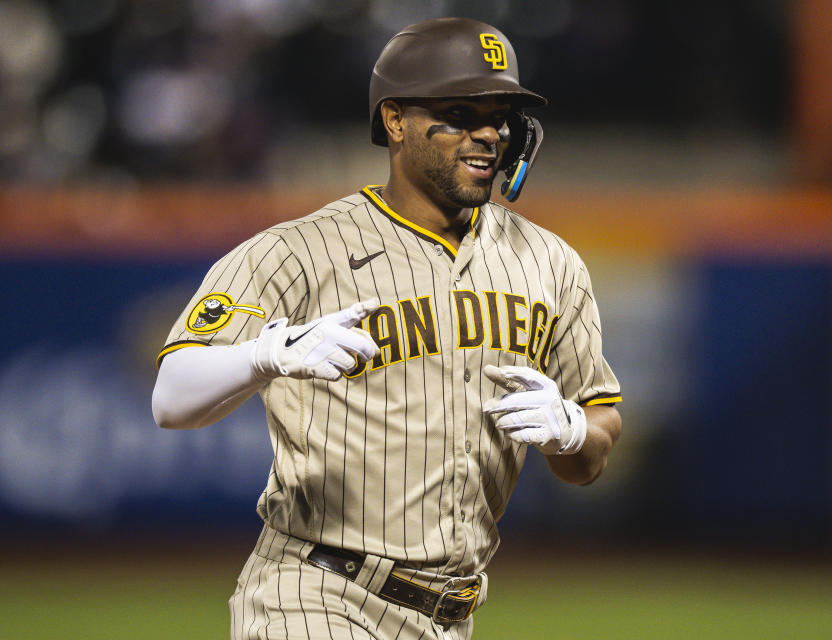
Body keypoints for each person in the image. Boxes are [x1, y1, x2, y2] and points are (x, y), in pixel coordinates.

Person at [152, 17, 622, 640]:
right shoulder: (299, 251)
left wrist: (569, 430)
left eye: (500, 116)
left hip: (451, 616)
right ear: (396, 121)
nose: (487, 134)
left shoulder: (550, 263)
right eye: (458, 112)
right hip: (315, 594)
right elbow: (170, 398)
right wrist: (264, 355)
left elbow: (596, 442)